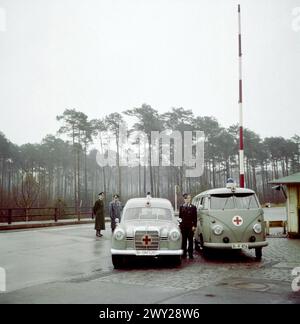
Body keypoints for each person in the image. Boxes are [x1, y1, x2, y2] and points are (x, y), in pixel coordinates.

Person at [179, 193, 197, 259]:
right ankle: (183, 254)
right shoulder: (181, 207)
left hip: (190, 226)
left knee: (190, 241)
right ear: (184, 199)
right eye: (186, 198)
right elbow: (180, 217)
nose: (187, 199)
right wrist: (180, 225)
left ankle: (190, 254)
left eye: (189, 198)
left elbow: (195, 217)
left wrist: (194, 226)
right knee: (183, 241)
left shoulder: (193, 207)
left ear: (190, 199)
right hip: (183, 227)